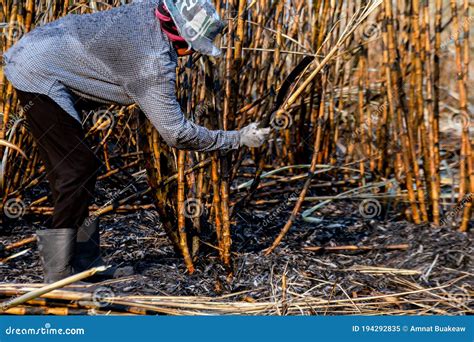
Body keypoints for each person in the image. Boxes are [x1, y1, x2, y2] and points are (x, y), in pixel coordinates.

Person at [2, 0, 270, 283]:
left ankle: (84, 264)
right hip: (36, 70)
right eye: (192, 45)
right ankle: (57, 275)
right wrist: (237, 138)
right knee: (76, 170)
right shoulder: (151, 62)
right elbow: (176, 133)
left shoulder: (150, 7)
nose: (190, 53)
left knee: (78, 169)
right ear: (180, 37)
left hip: (44, 49)